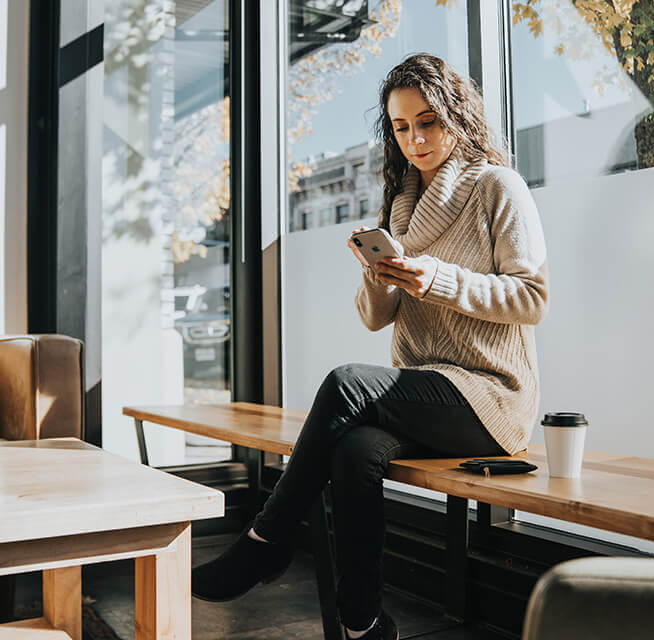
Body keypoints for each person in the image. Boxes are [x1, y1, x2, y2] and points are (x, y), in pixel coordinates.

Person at [191, 53, 549, 640]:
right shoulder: (401, 206)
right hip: (426, 394)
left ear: (457, 116)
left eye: (428, 121)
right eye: (402, 127)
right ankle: (363, 623)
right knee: (354, 452)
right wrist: (379, 276)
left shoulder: (497, 187)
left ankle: (265, 541)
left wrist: (437, 278)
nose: (416, 139)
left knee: (345, 383)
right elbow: (375, 321)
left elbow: (532, 297)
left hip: (489, 398)